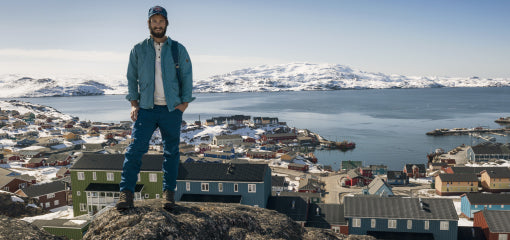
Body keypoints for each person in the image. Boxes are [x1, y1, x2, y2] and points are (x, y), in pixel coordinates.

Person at [116, 5, 195, 211]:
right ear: (149, 24)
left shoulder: (178, 49)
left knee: (171, 152)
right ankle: (126, 194)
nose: (158, 24)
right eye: (154, 21)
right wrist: (134, 104)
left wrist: (183, 104)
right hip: (146, 109)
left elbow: (187, 76)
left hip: (171, 110)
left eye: (161, 21)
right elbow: (131, 78)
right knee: (134, 150)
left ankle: (168, 194)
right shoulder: (138, 49)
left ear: (166, 23)